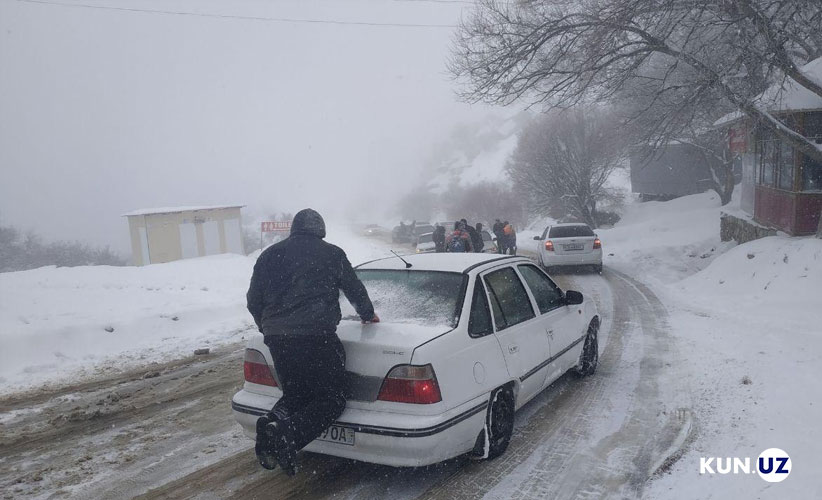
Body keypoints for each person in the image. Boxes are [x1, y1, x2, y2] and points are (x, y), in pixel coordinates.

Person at [246, 208, 379, 476]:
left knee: (296, 393)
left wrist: (268, 327)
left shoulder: (270, 254)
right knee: (332, 400)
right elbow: (354, 289)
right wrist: (367, 314)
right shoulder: (332, 253)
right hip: (315, 337)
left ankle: (271, 424)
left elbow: (253, 300)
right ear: (321, 230)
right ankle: (288, 436)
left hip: (278, 339)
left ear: (294, 228)